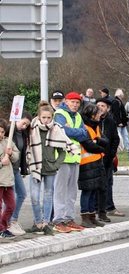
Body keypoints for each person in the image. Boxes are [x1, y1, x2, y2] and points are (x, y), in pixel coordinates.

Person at [27, 102, 73, 235]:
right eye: (44, 117)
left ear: (52, 117)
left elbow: (63, 150)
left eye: (48, 118)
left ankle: (46, 223)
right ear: (39, 117)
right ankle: (37, 222)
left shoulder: (56, 129)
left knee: (48, 196)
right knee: (35, 196)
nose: (46, 120)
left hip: (50, 168)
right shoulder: (32, 128)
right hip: (36, 167)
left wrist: (56, 164)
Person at [52, 91, 89, 233]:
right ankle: (58, 220)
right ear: (66, 101)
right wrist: (76, 131)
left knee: (72, 191)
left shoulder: (78, 116)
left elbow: (84, 134)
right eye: (72, 102)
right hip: (63, 156)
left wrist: (72, 131)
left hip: (74, 157)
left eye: (77, 102)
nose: (75, 105)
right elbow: (62, 131)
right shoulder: (60, 114)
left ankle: (68, 218)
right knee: (61, 190)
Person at [78, 104, 108, 228]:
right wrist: (99, 145)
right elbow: (89, 145)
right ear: (92, 115)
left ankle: (92, 216)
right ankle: (85, 217)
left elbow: (105, 140)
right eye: (97, 114)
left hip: (96, 162)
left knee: (94, 190)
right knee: (87, 191)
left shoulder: (95, 127)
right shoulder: (85, 127)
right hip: (86, 163)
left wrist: (98, 142)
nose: (99, 116)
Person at [96, 97, 123, 221]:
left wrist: (111, 154)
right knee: (95, 183)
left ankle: (109, 207)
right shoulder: (92, 120)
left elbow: (115, 139)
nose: (100, 108)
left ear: (108, 108)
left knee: (107, 183)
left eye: (103, 106)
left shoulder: (110, 121)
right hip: (94, 157)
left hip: (107, 158)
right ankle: (95, 208)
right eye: (99, 105)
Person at [7, 111, 32, 236]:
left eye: (27, 125)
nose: (24, 126)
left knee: (21, 194)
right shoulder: (8, 131)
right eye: (23, 123)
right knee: (8, 198)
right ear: (17, 120)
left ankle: (13, 219)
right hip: (7, 170)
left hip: (16, 170)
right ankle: (7, 221)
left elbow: (22, 153)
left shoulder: (23, 134)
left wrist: (24, 168)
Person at [0, 119, 20, 238]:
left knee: (11, 205)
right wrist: (2, 163)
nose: (0, 134)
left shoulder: (8, 142)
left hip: (7, 181)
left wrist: (11, 153)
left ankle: (3, 225)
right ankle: (1, 229)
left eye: (2, 132)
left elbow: (16, 156)